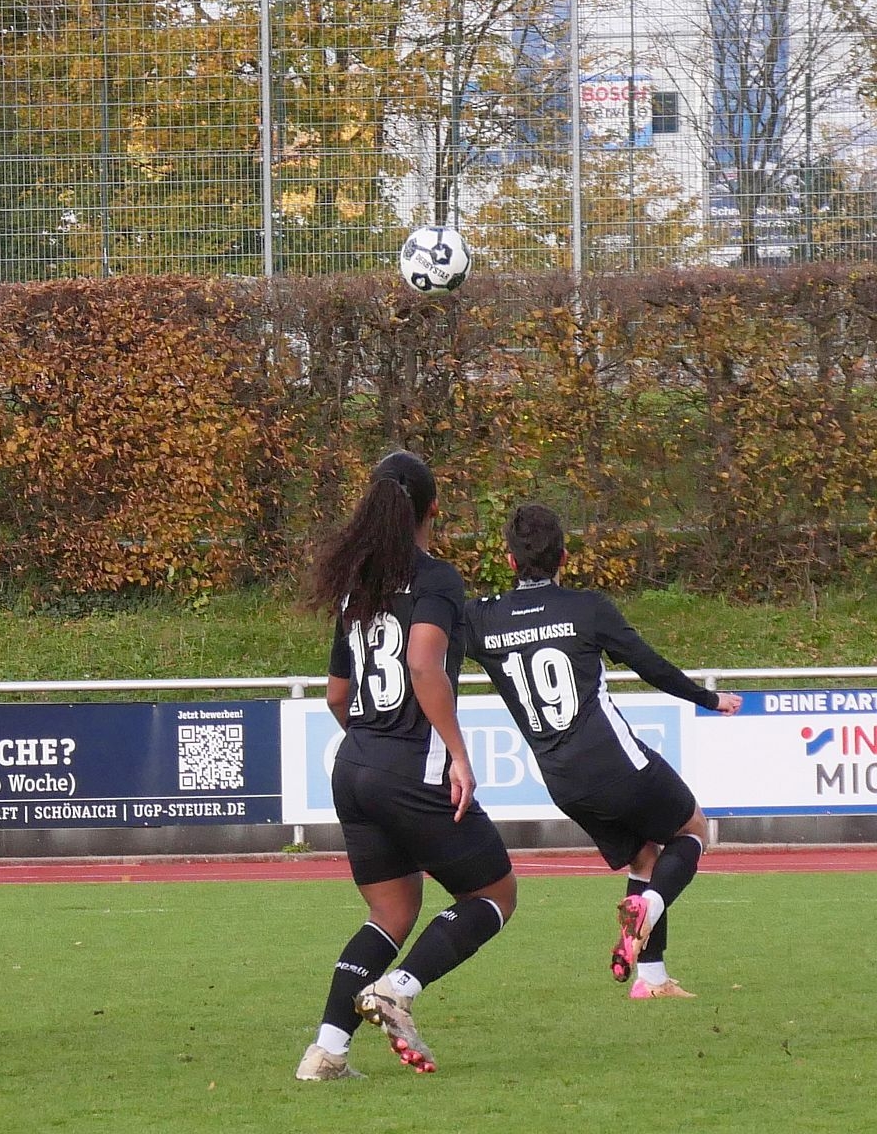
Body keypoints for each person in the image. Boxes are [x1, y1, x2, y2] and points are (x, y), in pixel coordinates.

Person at [294, 451, 517, 1082]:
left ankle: (327, 1054)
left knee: (390, 914)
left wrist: (370, 748)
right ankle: (400, 990)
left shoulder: (356, 585)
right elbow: (423, 664)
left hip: (353, 762)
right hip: (409, 767)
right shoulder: (437, 579)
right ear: (433, 509)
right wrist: (458, 753)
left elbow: (337, 695)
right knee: (494, 893)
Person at [463, 503, 741, 999]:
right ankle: (649, 908)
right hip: (613, 760)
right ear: (563, 557)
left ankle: (651, 980)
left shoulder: (479, 619)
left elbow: (426, 652)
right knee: (693, 829)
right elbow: (647, 664)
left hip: (561, 781)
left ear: (509, 561)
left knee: (644, 860)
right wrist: (708, 697)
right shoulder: (586, 608)